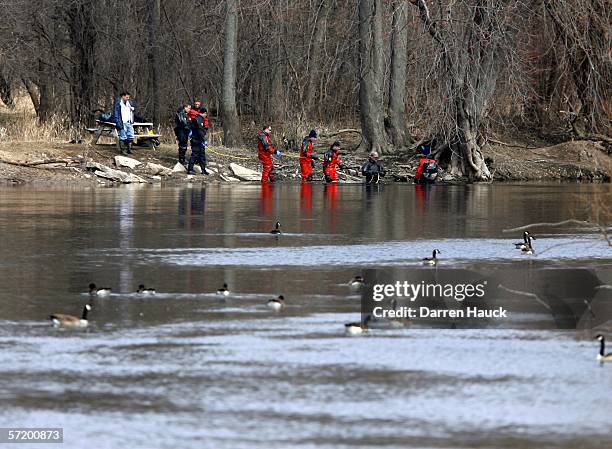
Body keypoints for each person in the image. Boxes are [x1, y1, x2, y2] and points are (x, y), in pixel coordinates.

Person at [187, 108, 209, 175]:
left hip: (199, 140)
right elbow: (200, 131)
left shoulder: (200, 119)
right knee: (195, 155)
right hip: (196, 140)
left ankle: (203, 170)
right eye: (205, 113)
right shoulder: (198, 119)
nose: (206, 115)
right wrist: (204, 137)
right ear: (203, 113)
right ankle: (190, 170)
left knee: (202, 155)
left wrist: (204, 129)